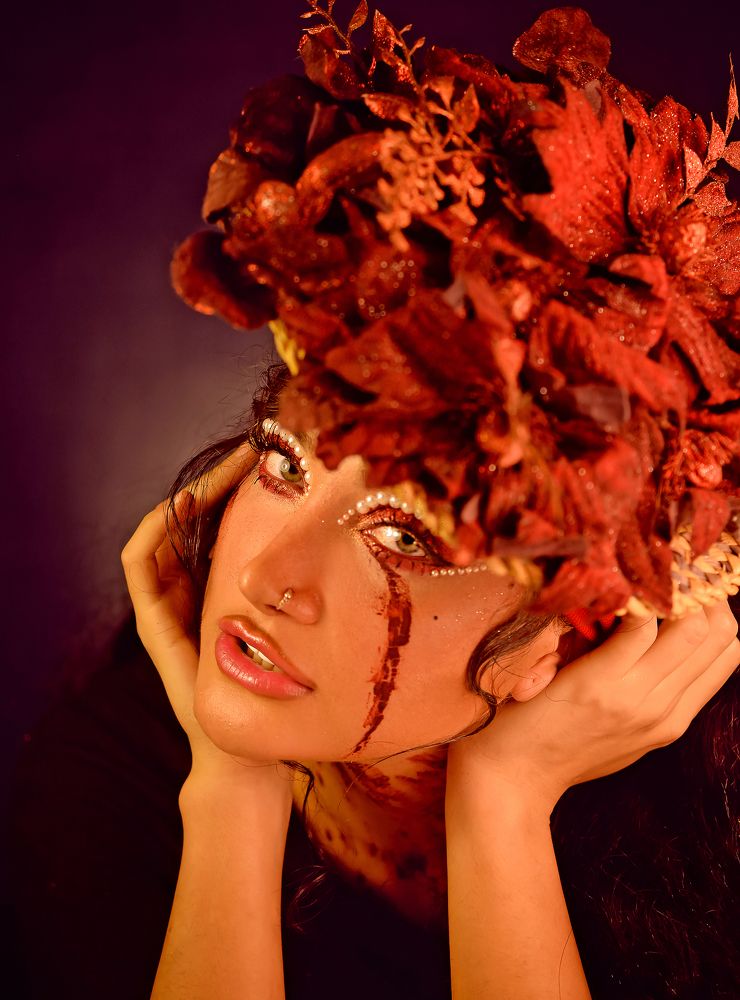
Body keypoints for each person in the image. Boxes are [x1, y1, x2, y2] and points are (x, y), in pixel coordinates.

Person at [9, 3, 740, 999]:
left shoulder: (709, 856)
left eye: (405, 534)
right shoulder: (103, 787)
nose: (266, 578)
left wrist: (501, 804)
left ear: (570, 632)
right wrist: (231, 789)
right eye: (284, 467)